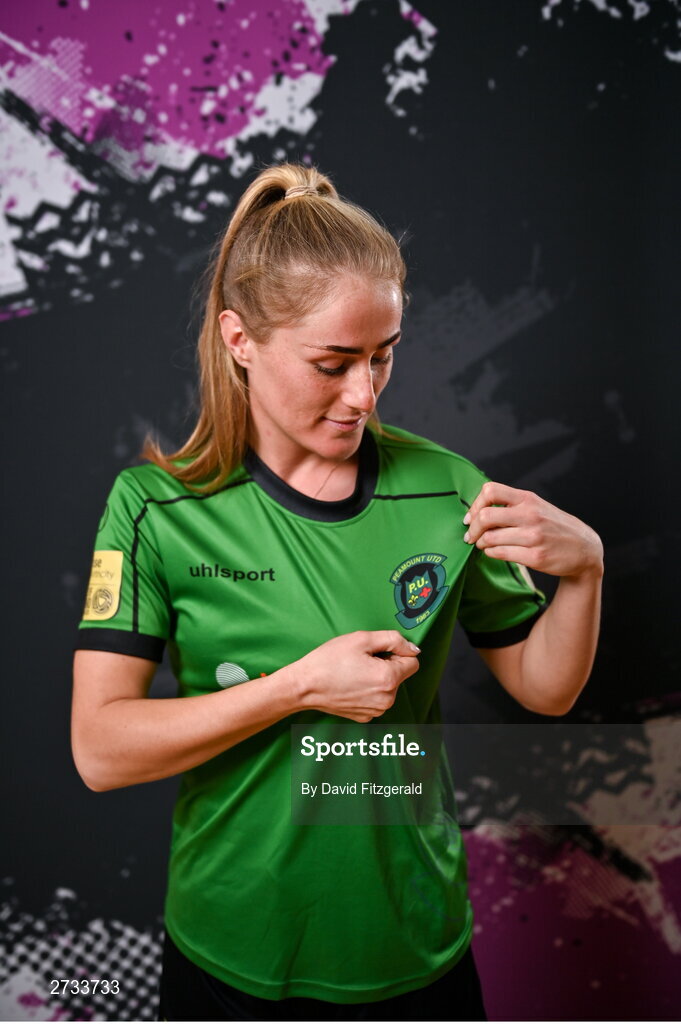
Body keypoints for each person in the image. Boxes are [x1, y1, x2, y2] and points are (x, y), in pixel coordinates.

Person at [71, 163, 604, 1022]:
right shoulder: (153, 510)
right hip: (229, 956)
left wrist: (584, 569)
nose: (363, 394)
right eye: (332, 363)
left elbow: (545, 688)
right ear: (240, 338)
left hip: (415, 952)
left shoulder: (446, 490)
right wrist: (297, 688)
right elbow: (100, 750)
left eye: (381, 358)